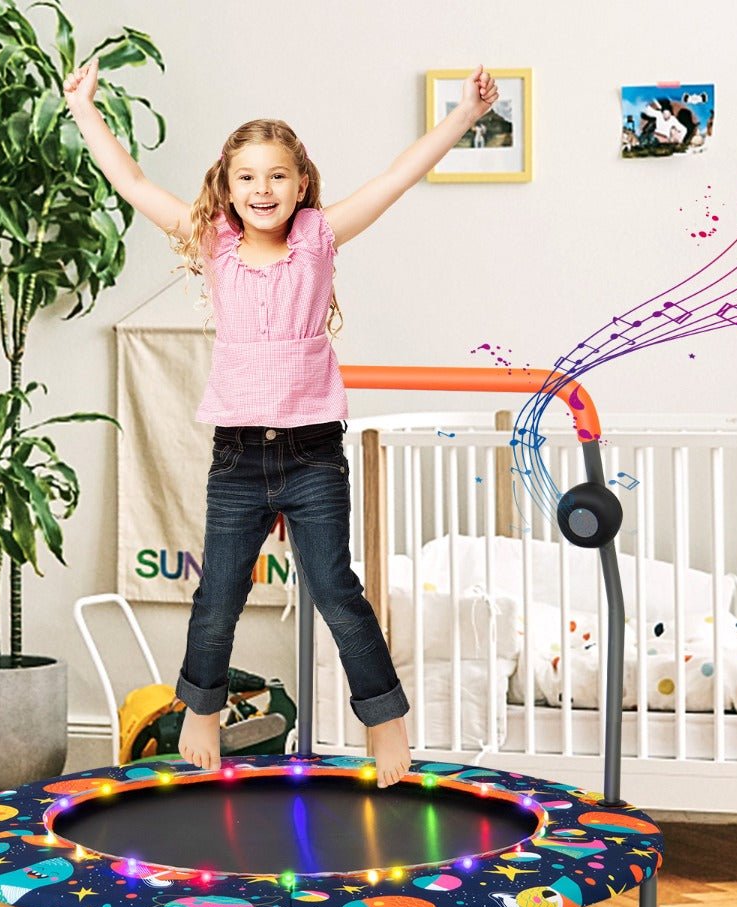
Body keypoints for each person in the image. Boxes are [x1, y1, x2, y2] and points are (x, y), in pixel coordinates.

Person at [65, 60, 499, 787]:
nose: (261, 190)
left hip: (312, 454)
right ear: (226, 186)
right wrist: (84, 108)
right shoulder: (212, 242)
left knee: (335, 590)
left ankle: (385, 720)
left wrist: (463, 115)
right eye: (246, 178)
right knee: (218, 594)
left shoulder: (318, 238)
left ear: (301, 186)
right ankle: (201, 707)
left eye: (276, 176)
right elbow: (133, 183)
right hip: (238, 456)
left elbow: (396, 178)